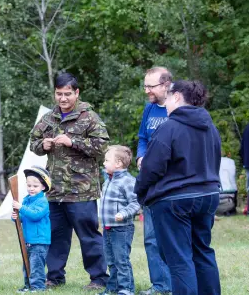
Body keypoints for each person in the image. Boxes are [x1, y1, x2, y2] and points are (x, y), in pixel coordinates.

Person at [135, 80, 222, 295]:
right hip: (208, 195)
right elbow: (216, 159)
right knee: (203, 253)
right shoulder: (210, 127)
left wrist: (140, 191)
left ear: (176, 97)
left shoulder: (169, 127)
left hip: (174, 200)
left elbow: (151, 167)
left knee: (179, 259)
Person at [30, 72, 110, 290]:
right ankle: (54, 277)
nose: (63, 98)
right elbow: (33, 142)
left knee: (89, 236)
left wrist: (72, 141)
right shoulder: (48, 118)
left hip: (81, 190)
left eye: (67, 94)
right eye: (59, 94)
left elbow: (102, 146)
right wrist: (42, 146)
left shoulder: (89, 117)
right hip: (54, 189)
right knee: (56, 236)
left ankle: (99, 278)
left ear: (77, 93)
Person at [135, 67, 173, 295]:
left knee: (172, 237)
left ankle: (175, 283)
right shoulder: (149, 110)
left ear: (166, 84)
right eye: (145, 86)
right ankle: (159, 285)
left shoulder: (178, 110)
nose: (147, 90)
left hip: (171, 183)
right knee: (150, 238)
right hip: (150, 184)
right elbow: (142, 138)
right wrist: (140, 156)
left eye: (151, 86)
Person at [99, 145, 140, 295]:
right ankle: (113, 287)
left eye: (106, 160)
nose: (103, 163)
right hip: (108, 227)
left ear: (118, 163)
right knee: (111, 261)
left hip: (122, 229)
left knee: (121, 260)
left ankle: (126, 288)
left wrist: (124, 213)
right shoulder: (108, 180)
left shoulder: (128, 181)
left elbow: (136, 202)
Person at [11, 165, 52, 293]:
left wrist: (21, 208)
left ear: (43, 187)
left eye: (35, 186)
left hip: (39, 241)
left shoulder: (42, 202)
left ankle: (38, 287)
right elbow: (24, 216)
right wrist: (16, 216)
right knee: (27, 265)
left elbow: (35, 215)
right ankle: (28, 285)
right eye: (29, 186)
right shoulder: (26, 200)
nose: (31, 189)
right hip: (28, 240)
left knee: (37, 266)